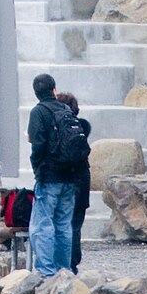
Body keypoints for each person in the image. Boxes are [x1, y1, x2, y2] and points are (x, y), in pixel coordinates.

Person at [27, 73, 81, 276]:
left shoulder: (38, 112)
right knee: (64, 225)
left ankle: (46, 271)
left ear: (36, 92)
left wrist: (37, 168)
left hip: (49, 176)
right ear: (54, 89)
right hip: (70, 175)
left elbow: (38, 144)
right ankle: (64, 269)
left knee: (43, 225)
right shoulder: (66, 109)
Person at [55, 91, 91, 271]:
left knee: (61, 223)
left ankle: (61, 262)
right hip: (82, 180)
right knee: (76, 225)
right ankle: (73, 263)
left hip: (64, 180)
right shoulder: (83, 126)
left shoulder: (58, 129)